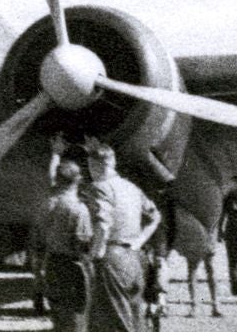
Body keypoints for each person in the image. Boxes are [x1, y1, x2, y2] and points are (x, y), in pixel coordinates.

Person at [83, 141, 160, 332]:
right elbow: (155, 216)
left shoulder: (98, 187)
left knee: (113, 321)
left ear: (95, 165)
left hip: (110, 258)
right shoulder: (131, 188)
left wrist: (94, 254)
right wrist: (139, 241)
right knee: (135, 318)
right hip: (134, 258)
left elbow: (102, 224)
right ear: (113, 162)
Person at [36, 156, 93, 332]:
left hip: (52, 264)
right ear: (79, 180)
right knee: (77, 321)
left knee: (59, 319)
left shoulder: (46, 203)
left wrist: (54, 154)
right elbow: (83, 243)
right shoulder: (78, 209)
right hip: (73, 268)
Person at [180, 237, 221, 318]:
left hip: (198, 238)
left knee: (194, 271)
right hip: (205, 238)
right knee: (207, 269)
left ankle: (196, 306)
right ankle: (215, 305)